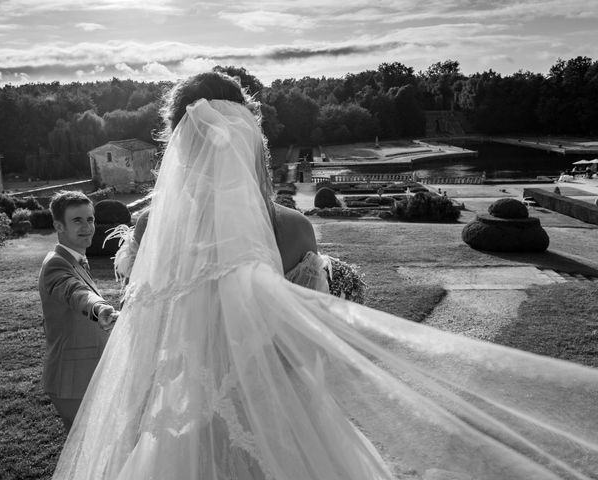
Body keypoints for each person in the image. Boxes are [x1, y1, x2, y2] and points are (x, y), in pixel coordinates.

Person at [53, 73, 598, 480]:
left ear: (177, 144)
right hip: (281, 419)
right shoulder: (289, 228)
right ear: (246, 137)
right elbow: (303, 350)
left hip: (175, 424)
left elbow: (141, 341)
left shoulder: (149, 228)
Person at [38, 191, 118, 432]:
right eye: (77, 220)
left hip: (84, 374)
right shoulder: (56, 264)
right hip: (72, 380)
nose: (87, 227)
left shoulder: (75, 258)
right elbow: (74, 292)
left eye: (90, 219)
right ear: (58, 225)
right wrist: (99, 307)